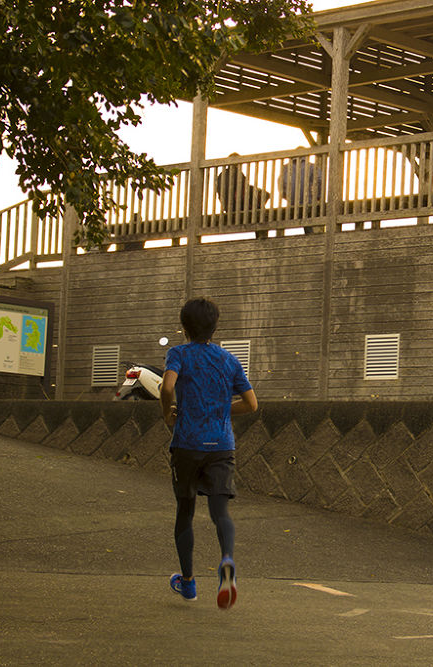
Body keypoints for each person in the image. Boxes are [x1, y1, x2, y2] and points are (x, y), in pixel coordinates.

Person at [161, 297, 258, 609]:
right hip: (221, 445)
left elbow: (166, 387)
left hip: (187, 444)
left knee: (185, 512)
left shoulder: (179, 354)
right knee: (221, 513)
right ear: (216, 326)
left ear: (184, 326)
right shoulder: (229, 360)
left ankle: (188, 583)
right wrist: (221, 409)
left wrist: (168, 412)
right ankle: (226, 560)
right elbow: (252, 404)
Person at [278, 152, 324, 232]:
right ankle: (313, 236)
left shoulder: (285, 168)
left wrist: (285, 196)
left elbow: (280, 183)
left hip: (291, 203)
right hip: (308, 202)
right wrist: (318, 197)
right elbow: (319, 181)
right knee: (314, 212)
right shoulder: (312, 167)